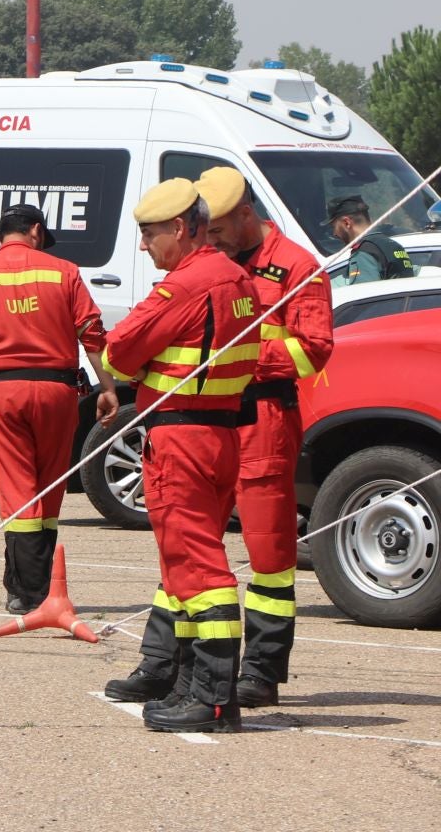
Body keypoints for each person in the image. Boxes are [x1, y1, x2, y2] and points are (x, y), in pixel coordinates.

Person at [98, 178, 261, 733]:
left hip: (181, 439)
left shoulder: (184, 286)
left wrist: (135, 366)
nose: (144, 247)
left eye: (148, 235)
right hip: (218, 435)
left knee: (202, 569)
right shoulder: (239, 278)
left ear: (179, 228)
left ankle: (214, 697)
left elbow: (118, 353)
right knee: (187, 564)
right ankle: (188, 680)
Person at [195, 166, 332, 707]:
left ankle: (262, 671)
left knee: (269, 553)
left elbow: (314, 348)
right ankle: (193, 666)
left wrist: (244, 361)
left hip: (264, 418)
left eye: (219, 230)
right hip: (209, 419)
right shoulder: (210, 264)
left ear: (246, 215)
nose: (211, 241)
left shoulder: (297, 266)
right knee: (196, 539)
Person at [0, 204, 119, 614]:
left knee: (17, 490)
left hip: (1, 395)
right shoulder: (65, 272)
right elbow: (93, 335)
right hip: (57, 393)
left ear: (1, 236)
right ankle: (33, 587)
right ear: (36, 231)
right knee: (48, 489)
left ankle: (25, 592)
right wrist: (107, 388)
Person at [327, 194, 414, 286]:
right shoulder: (391, 245)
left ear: (346, 223)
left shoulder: (365, 252)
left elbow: (362, 295)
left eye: (334, 227)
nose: (334, 233)